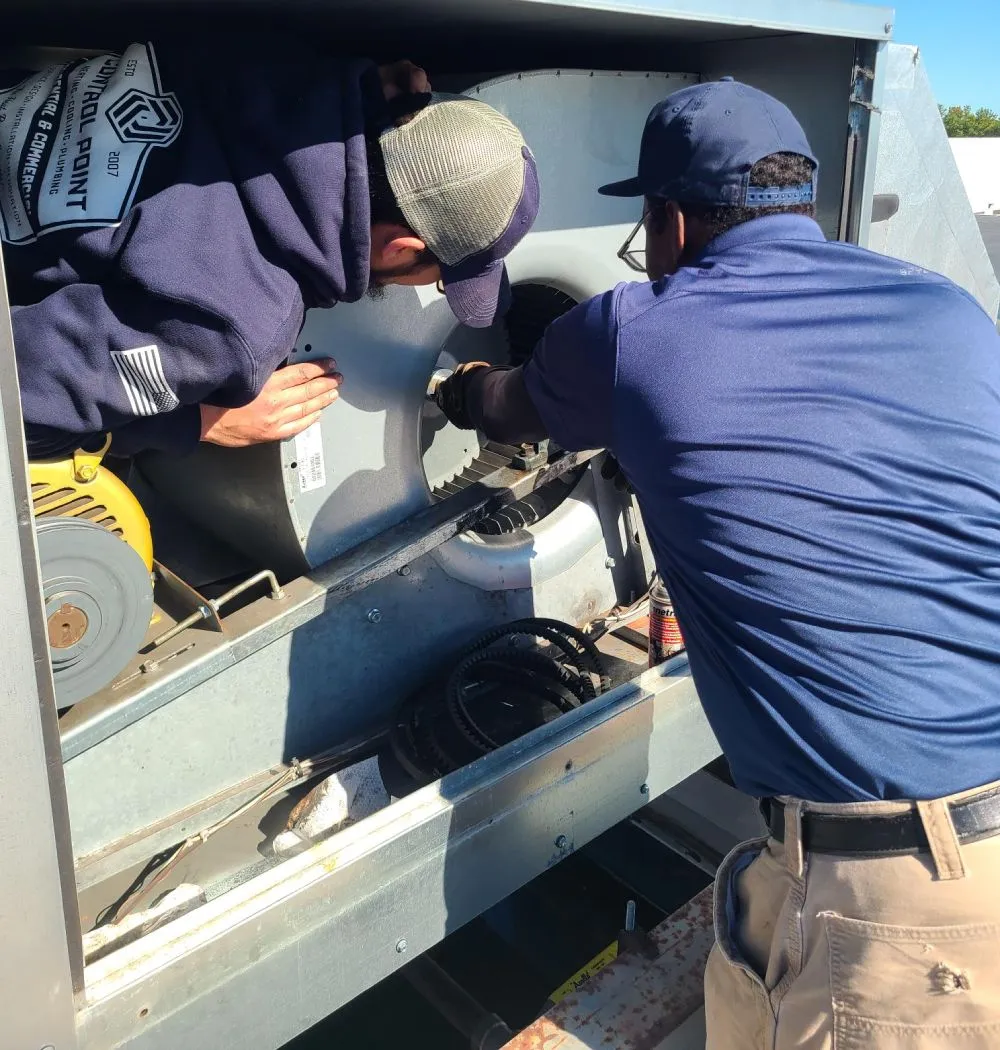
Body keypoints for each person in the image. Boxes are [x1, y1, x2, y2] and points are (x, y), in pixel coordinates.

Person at [433, 78, 1000, 1048]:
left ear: (673, 221)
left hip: (895, 910)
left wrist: (455, 389)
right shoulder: (946, 307)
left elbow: (504, 409)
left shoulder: (632, 331)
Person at [0, 38, 538, 458]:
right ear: (400, 249)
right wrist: (197, 423)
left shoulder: (268, 62)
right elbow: (17, 411)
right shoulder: (232, 327)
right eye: (444, 277)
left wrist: (361, 92)